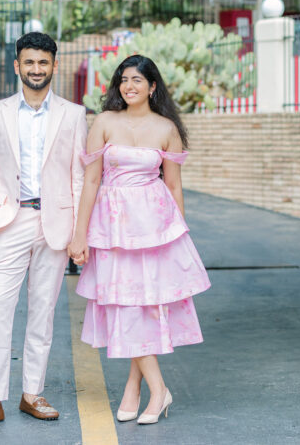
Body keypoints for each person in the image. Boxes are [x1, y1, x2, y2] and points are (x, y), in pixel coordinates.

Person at [68, 54, 210, 425]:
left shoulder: (166, 128)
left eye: (137, 80)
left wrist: (177, 239)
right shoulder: (104, 122)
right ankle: (157, 388)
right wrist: (79, 235)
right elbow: (92, 181)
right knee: (125, 305)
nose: (128, 86)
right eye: (123, 80)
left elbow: (174, 185)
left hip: (155, 229)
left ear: (153, 86)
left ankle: (139, 388)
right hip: (113, 228)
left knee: (144, 306)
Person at [0, 32, 87, 430]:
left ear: (54, 66)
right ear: (17, 66)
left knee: (43, 312)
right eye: (28, 62)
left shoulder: (74, 114)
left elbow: (79, 177)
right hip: (11, 221)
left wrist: (79, 232)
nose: (36, 69)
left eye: (43, 63)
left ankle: (33, 394)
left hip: (56, 224)